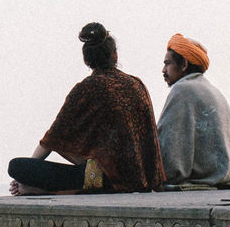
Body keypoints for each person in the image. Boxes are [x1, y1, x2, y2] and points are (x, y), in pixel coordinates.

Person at [9, 23, 165, 194]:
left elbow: (52, 138)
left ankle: (37, 189)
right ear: (115, 55)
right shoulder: (136, 84)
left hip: (106, 179)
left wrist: (29, 173)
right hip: (142, 176)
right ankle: (38, 188)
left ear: (86, 60)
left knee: (16, 166)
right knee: (83, 167)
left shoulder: (87, 88)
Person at [157, 33, 230, 187]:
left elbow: (169, 154)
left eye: (168, 63)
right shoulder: (212, 89)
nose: (163, 70)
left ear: (183, 64)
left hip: (208, 176)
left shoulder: (182, 89)